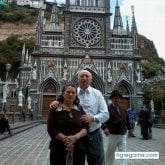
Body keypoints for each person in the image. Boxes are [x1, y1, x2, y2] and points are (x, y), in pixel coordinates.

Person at [50, 69, 109, 165]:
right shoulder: (72, 92)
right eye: (81, 76)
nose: (84, 78)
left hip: (93, 134)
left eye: (87, 76)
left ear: (91, 79)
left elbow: (105, 114)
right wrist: (55, 102)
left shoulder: (97, 93)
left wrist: (93, 118)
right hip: (77, 137)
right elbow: (61, 102)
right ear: (77, 79)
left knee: (97, 162)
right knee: (76, 161)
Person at [47, 83, 89, 165]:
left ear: (76, 95)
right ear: (63, 94)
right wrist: (66, 140)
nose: (71, 94)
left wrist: (75, 137)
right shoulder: (55, 108)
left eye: (73, 93)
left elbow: (86, 127)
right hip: (58, 148)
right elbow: (51, 129)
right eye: (68, 92)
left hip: (78, 149)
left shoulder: (79, 109)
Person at [102, 90, 131, 165]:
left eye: (118, 98)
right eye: (115, 98)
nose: (116, 100)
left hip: (122, 134)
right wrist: (105, 128)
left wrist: (129, 128)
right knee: (110, 153)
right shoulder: (107, 109)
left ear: (120, 99)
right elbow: (103, 119)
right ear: (112, 99)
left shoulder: (123, 109)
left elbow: (127, 119)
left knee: (123, 152)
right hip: (112, 134)